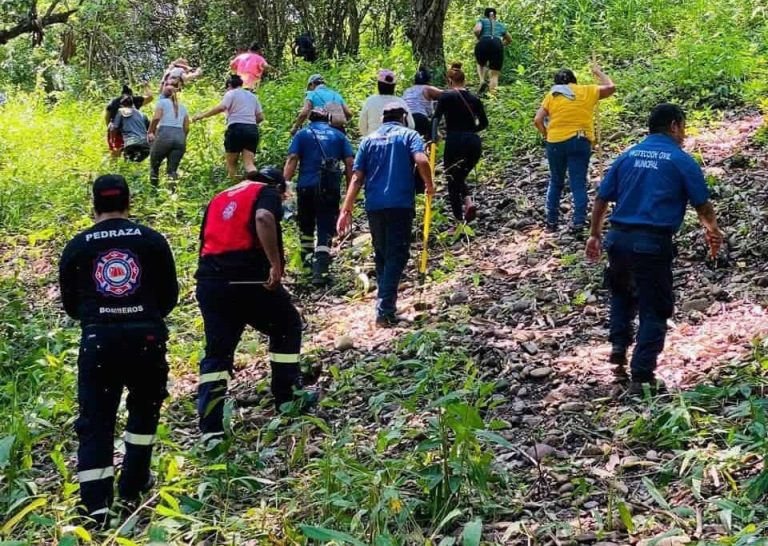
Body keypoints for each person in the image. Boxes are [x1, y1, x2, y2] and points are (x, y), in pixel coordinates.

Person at [58, 175, 178, 526]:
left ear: (94, 204)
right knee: (145, 410)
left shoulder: (77, 246)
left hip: (99, 341)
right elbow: (169, 296)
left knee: (95, 421)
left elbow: (71, 305)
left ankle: (96, 509)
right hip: (147, 339)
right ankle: (134, 484)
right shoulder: (152, 240)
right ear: (128, 202)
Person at [585, 104, 724, 396]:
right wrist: (712, 230)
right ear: (674, 125)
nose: (684, 134)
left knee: (621, 293)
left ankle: (618, 349)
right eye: (683, 127)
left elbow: (601, 198)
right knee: (655, 307)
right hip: (651, 243)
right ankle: (642, 376)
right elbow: (702, 204)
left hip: (617, 239)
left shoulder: (628, 155)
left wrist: (595, 234)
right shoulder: (680, 160)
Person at [195, 167, 316, 442]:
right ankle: (287, 398)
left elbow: (205, 241)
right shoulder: (265, 191)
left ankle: (211, 428)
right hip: (249, 279)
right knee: (287, 326)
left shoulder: (220, 197)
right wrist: (275, 264)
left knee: (217, 351)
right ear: (278, 187)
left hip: (212, 281)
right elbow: (263, 217)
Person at [337, 103, 435, 327]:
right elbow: (421, 160)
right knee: (397, 255)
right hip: (400, 203)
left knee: (382, 254)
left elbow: (356, 177)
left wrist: (346, 209)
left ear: (382, 118)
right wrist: (429, 185)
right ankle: (385, 310)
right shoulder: (409, 135)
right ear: (403, 118)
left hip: (374, 205)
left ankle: (384, 306)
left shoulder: (368, 140)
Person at [533, 64, 616, 234]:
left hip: (555, 141)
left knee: (556, 181)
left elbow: (538, 120)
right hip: (579, 140)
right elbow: (611, 87)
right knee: (578, 181)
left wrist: (547, 135)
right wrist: (598, 72)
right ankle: (578, 222)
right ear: (574, 81)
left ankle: (551, 222)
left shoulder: (552, 95)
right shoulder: (587, 90)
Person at [284, 108, 354, 285]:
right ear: (328, 118)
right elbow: (349, 162)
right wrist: (350, 190)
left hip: (305, 187)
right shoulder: (338, 135)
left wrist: (283, 185)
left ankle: (307, 269)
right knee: (325, 227)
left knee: (306, 227)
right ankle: (321, 271)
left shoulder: (302, 134)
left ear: (310, 119)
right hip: (329, 188)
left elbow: (292, 158)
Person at [433, 63, 489, 223]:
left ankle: (459, 219)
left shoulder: (446, 96)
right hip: (473, 142)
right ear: (464, 80)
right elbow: (484, 123)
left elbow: (436, 118)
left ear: (450, 81)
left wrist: (434, 136)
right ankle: (468, 201)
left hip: (454, 141)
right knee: (459, 175)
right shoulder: (475, 99)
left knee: (452, 178)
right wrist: (470, 131)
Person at [192, 75, 264, 181]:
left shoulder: (231, 93)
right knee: (249, 164)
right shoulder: (253, 96)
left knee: (232, 164)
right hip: (252, 129)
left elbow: (222, 107)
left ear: (229, 85)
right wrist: (248, 123)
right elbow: (260, 117)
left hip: (235, 128)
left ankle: (234, 186)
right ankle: (257, 185)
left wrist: (202, 116)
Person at [148, 85, 190, 186]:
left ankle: (153, 190)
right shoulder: (183, 107)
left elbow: (156, 118)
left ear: (164, 93)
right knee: (172, 170)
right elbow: (187, 127)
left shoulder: (162, 102)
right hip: (180, 137)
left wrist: (150, 131)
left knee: (154, 165)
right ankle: (172, 192)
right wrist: (182, 137)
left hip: (164, 135)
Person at [359, 69, 415, 136]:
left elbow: (362, 126)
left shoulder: (370, 101)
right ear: (394, 86)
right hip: (396, 139)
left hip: (373, 139)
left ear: (378, 85)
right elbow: (411, 125)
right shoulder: (400, 102)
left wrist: (369, 137)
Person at [105, 83, 153, 159]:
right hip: (130, 133)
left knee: (115, 153)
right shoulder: (134, 100)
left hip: (116, 132)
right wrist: (146, 85)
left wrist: (109, 128)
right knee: (132, 153)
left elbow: (107, 117)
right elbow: (150, 98)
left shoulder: (113, 102)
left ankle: (113, 165)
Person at [473, 7, 512, 93]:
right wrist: (500, 44)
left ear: (485, 15)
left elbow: (477, 30)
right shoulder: (500, 25)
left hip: (483, 41)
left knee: (480, 63)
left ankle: (482, 80)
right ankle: (493, 97)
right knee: (494, 74)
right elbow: (509, 39)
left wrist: (479, 38)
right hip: (497, 43)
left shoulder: (482, 21)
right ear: (495, 16)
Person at [402, 67, 443, 141]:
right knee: (435, 138)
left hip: (405, 119)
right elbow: (446, 95)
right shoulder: (427, 88)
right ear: (428, 80)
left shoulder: (407, 90)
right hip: (419, 117)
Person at [111, 96, 151, 162]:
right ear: (133, 104)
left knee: (128, 164)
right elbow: (151, 129)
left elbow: (114, 128)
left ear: (122, 105)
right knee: (138, 164)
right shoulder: (143, 115)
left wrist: (112, 142)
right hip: (145, 145)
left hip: (131, 144)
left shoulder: (121, 111)